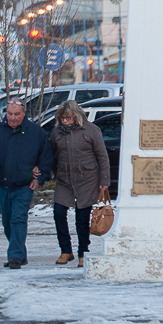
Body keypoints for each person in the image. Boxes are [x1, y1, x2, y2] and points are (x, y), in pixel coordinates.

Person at [0, 98, 52, 269]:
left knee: (18, 219)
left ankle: (15, 256)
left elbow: (46, 158)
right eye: (9, 113)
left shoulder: (36, 133)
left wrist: (39, 179)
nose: (12, 117)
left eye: (17, 114)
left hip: (24, 185)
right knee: (7, 222)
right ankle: (20, 253)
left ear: (24, 113)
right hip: (2, 184)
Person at [49, 99, 110, 268]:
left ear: (76, 116)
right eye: (62, 118)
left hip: (87, 179)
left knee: (82, 218)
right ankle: (65, 250)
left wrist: (104, 179)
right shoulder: (57, 132)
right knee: (58, 213)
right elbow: (52, 154)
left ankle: (83, 251)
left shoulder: (91, 130)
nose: (65, 121)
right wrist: (52, 172)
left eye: (68, 118)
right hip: (64, 179)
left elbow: (102, 156)